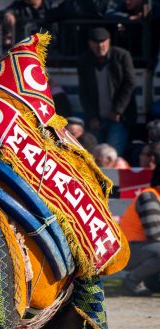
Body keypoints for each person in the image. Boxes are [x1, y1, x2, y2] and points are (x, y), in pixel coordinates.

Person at [77, 27, 136, 155]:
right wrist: (92, 116)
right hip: (96, 119)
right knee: (93, 156)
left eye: (103, 41)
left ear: (109, 41)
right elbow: (83, 92)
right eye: (96, 42)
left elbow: (130, 83)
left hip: (118, 118)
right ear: (90, 43)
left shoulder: (121, 56)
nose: (100, 46)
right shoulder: (84, 61)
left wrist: (117, 110)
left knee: (111, 155)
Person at [117, 160, 160, 295]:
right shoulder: (149, 196)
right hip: (129, 249)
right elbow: (154, 234)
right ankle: (131, 281)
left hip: (141, 248)